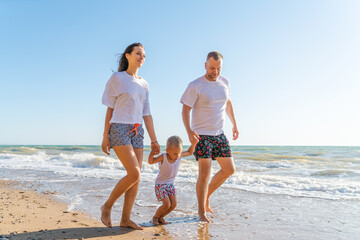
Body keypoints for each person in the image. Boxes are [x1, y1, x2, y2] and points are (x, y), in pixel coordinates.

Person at [100, 43, 160, 230]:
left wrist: (154, 140)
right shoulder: (117, 78)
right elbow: (110, 109)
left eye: (144, 55)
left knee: (136, 178)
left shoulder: (144, 84)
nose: (142, 57)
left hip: (138, 131)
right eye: (138, 53)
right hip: (118, 128)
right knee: (134, 173)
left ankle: (125, 219)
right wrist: (104, 136)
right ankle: (107, 206)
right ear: (128, 56)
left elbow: (147, 114)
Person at [180, 51, 239, 223]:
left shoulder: (225, 82)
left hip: (219, 134)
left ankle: (206, 197)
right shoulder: (195, 85)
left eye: (218, 68)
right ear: (205, 65)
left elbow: (228, 102)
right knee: (204, 175)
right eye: (212, 68)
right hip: (201, 135)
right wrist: (189, 132)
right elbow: (185, 109)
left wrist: (234, 124)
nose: (215, 72)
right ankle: (201, 212)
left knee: (229, 169)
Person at [148, 136, 198, 225]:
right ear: (167, 151)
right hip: (160, 184)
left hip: (170, 184)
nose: (177, 156)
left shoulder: (178, 156)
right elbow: (151, 161)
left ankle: (161, 217)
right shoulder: (163, 157)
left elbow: (190, 152)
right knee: (166, 204)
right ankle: (155, 218)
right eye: (175, 153)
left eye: (179, 153)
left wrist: (193, 144)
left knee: (174, 204)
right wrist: (152, 154)